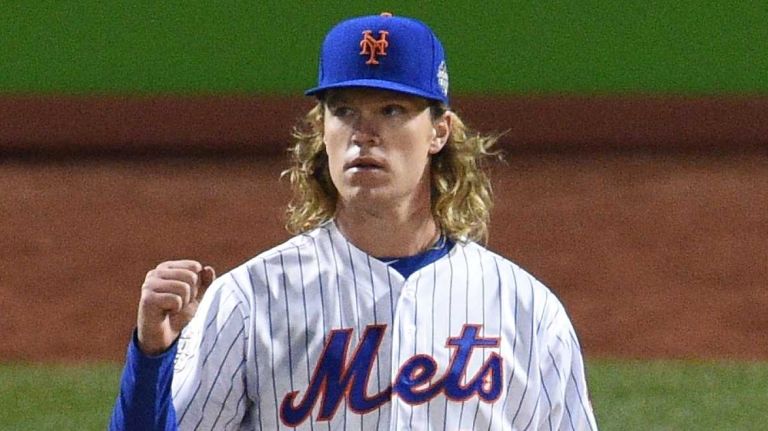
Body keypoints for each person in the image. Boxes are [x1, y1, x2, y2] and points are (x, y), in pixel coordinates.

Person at [110, 12, 598, 430]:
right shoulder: (248, 300)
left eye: (392, 110)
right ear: (322, 130)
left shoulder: (527, 310)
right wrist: (152, 358)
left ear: (439, 132)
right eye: (344, 111)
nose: (365, 134)